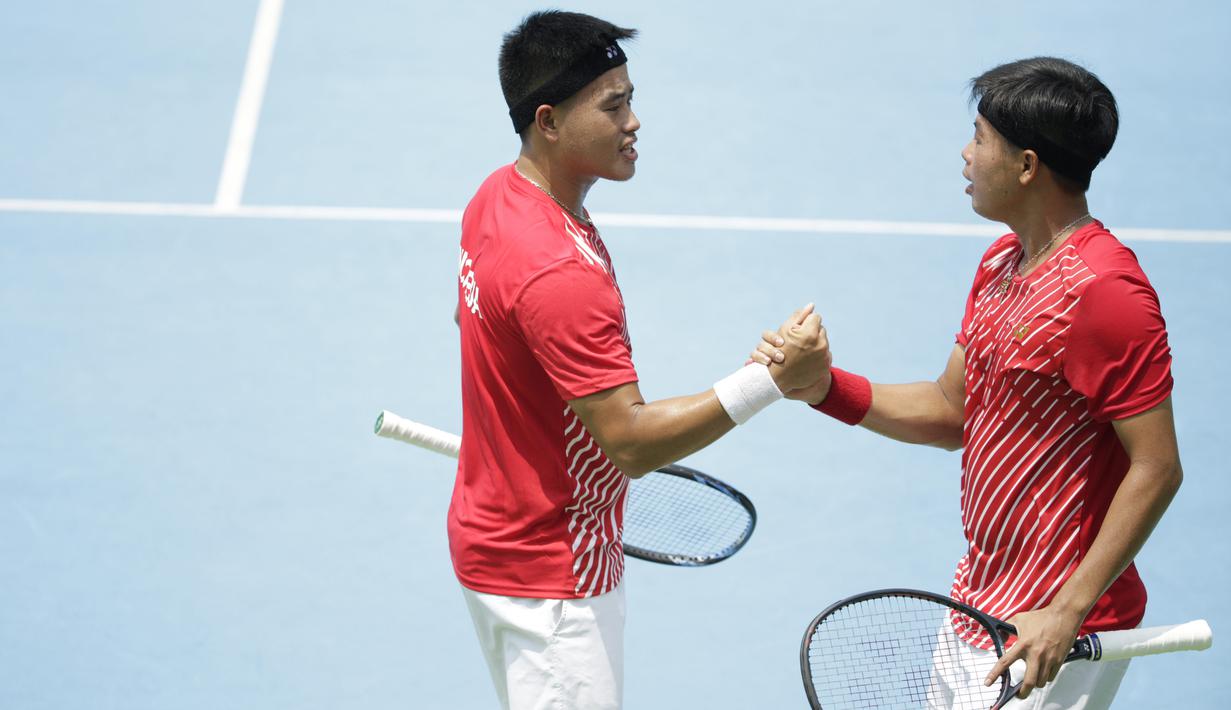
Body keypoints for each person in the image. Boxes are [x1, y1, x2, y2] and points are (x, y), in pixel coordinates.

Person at [753, 57, 1182, 709]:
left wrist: (1065, 611)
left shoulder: (1105, 293)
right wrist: (822, 388)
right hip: (978, 607)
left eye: (979, 137)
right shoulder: (1001, 264)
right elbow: (952, 411)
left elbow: (1156, 465)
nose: (964, 153)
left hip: (1050, 637)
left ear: (1026, 165)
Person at [451, 11, 830, 709]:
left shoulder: (494, 199)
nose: (634, 121)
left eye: (630, 98)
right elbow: (627, 443)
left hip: (500, 536)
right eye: (613, 105)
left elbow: (494, 353)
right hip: (551, 578)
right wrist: (769, 381)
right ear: (549, 121)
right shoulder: (558, 271)